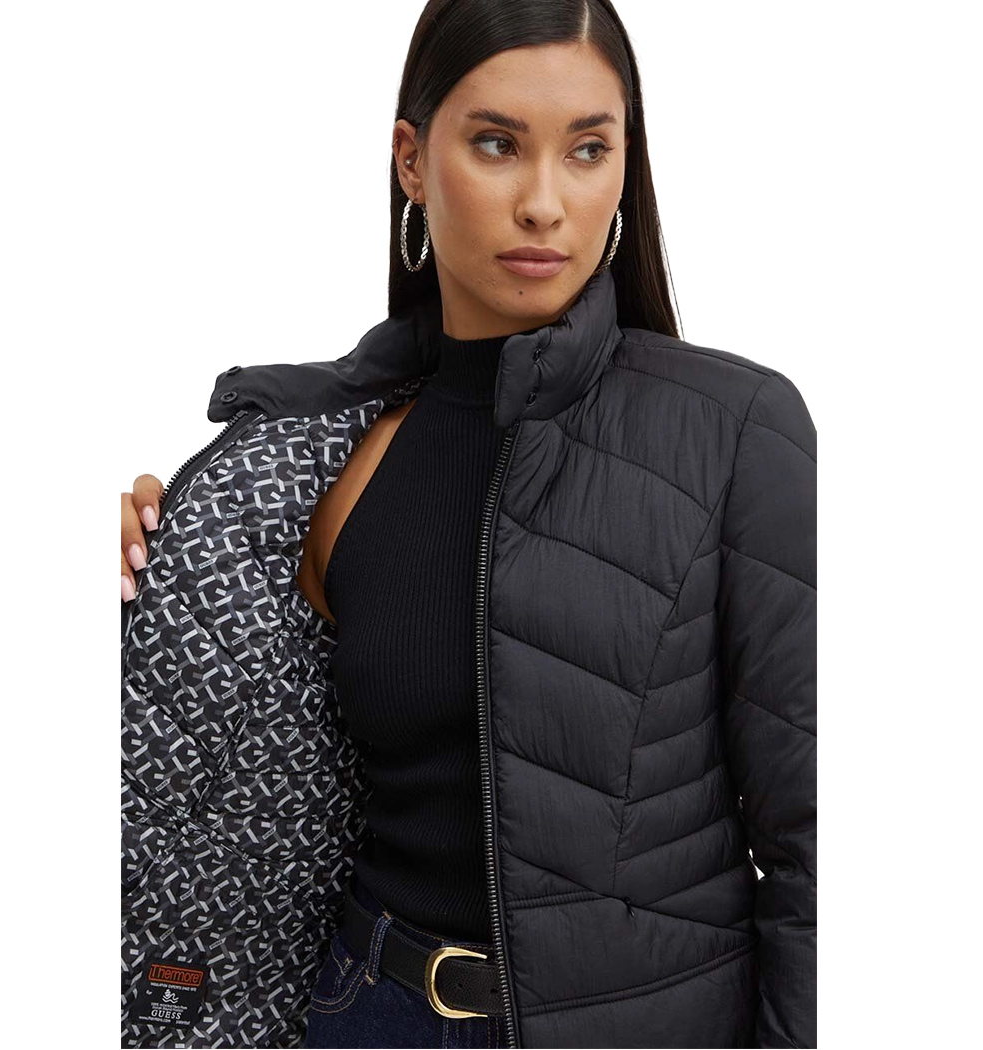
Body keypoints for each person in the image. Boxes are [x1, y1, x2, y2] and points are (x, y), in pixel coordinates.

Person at [121, 1, 817, 1047]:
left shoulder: (736, 432)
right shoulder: (316, 463)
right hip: (364, 1014)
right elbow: (222, 802)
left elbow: (820, 850)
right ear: (411, 160)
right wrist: (156, 574)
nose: (544, 202)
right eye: (497, 144)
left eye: (588, 150)